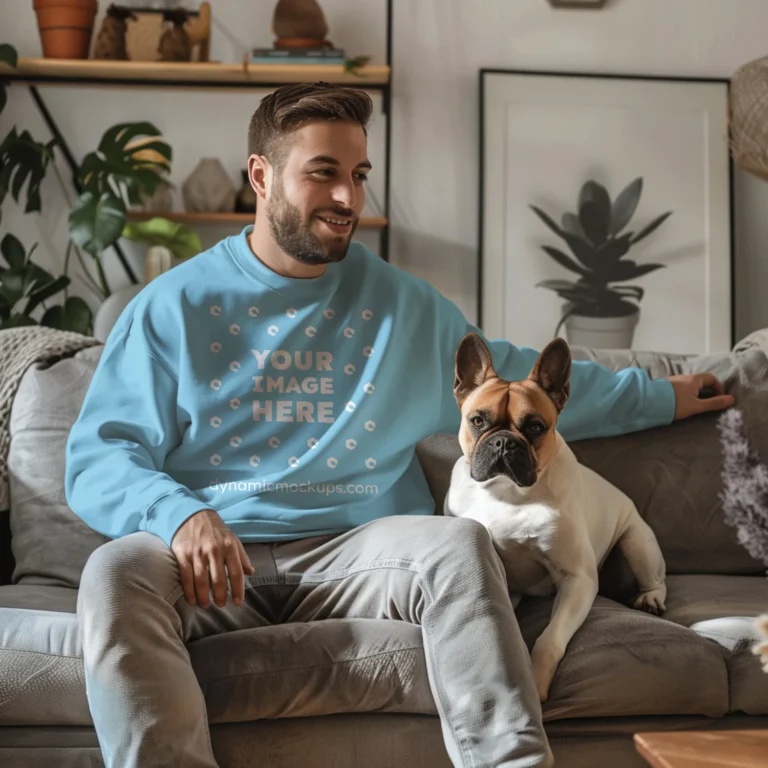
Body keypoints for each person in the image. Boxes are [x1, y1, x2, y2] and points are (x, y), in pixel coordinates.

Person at [65, 81, 734, 768]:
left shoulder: (405, 309)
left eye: (359, 176)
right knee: (113, 573)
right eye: (323, 173)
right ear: (261, 177)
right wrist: (179, 517)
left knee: (458, 546)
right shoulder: (172, 306)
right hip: (214, 560)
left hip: (361, 552)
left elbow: (523, 384)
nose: (349, 199)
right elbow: (97, 456)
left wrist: (664, 397)